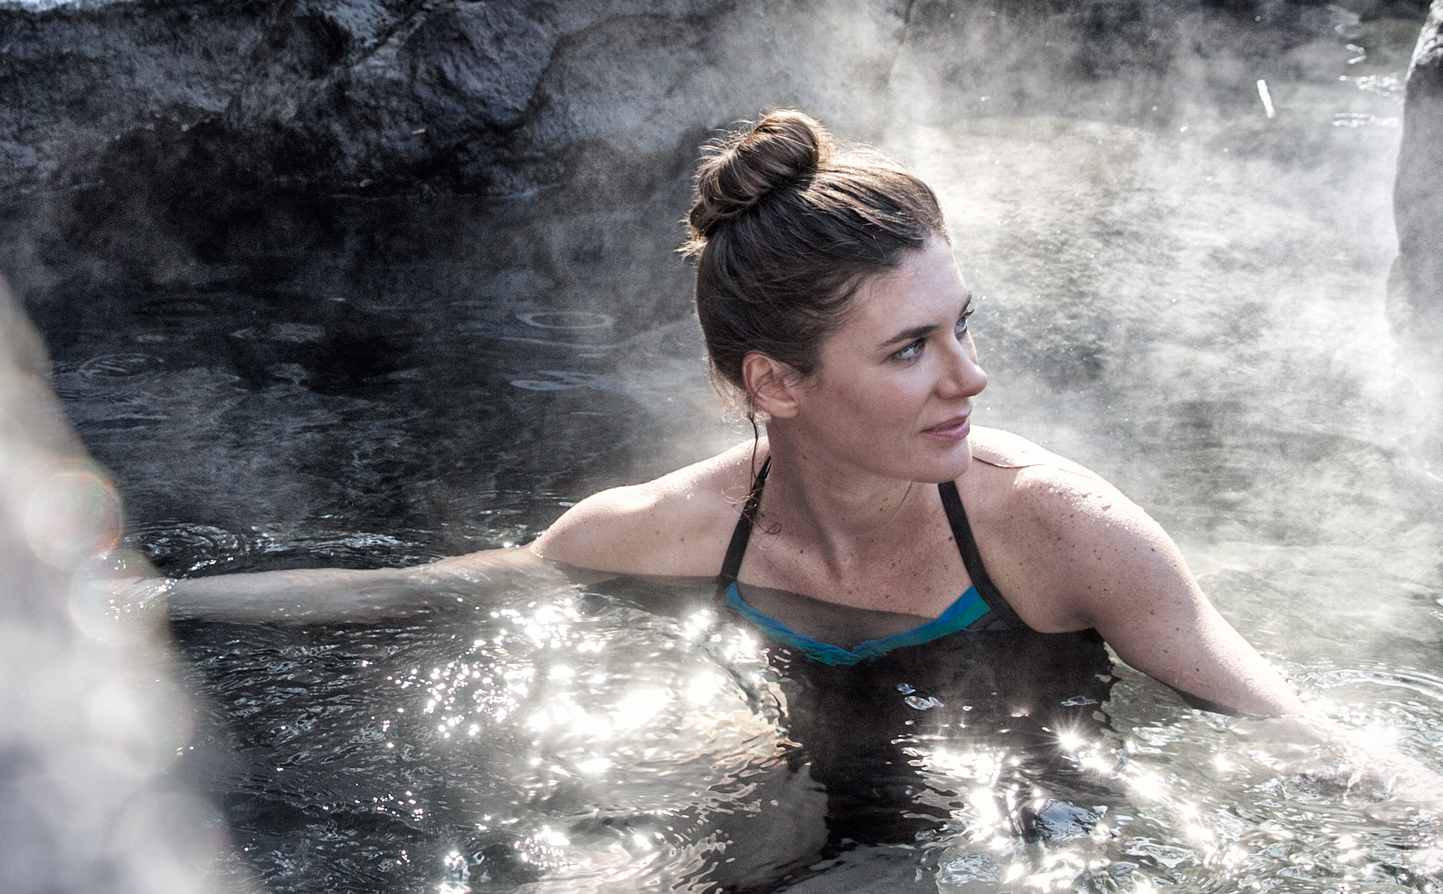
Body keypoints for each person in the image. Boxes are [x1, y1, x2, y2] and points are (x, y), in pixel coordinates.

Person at [144, 110, 1443, 849]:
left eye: (963, 325)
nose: (970, 380)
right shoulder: (679, 526)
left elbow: (1291, 721)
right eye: (911, 348)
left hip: (1017, 812)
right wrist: (152, 605)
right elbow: (436, 587)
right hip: (782, 769)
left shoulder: (1058, 530)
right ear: (775, 382)